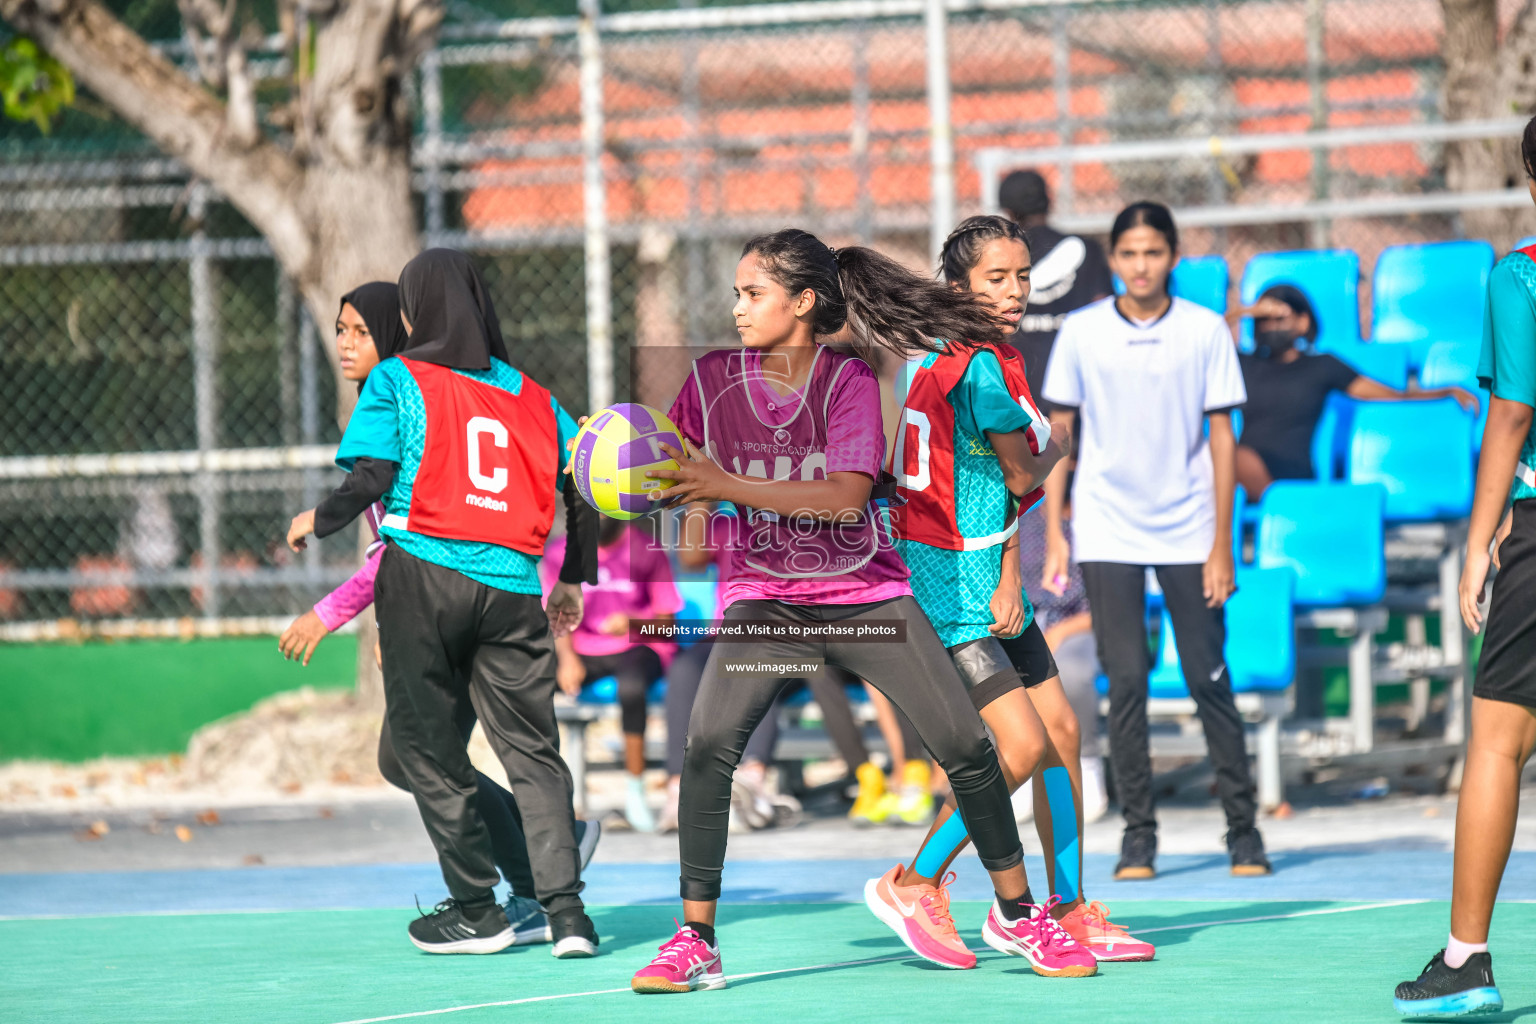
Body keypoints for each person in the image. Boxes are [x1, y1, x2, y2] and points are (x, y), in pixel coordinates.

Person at [629, 228, 1092, 993]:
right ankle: (695, 940)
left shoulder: (845, 382)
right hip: (765, 603)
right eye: (738, 295)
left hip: (864, 598)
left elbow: (846, 501)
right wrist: (614, 463)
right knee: (707, 745)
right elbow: (673, 459)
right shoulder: (713, 378)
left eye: (753, 294)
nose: (738, 309)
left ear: (803, 302)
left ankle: (1017, 913)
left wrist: (724, 486)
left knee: (969, 750)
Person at [286, 250, 600, 958]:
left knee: (424, 752)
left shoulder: (399, 378)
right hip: (516, 588)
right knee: (533, 753)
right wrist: (575, 577)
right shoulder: (534, 395)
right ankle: (568, 914)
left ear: (416, 313)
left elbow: (373, 475)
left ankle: (476, 909)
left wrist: (321, 518)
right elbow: (582, 482)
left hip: (425, 574)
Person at [865, 214, 1151, 969]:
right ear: (961, 286)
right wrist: (1059, 441)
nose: (1015, 290)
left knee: (1060, 733)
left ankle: (1065, 905)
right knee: (1019, 749)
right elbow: (1023, 475)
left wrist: (1007, 568)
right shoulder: (982, 367)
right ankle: (916, 881)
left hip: (985, 569)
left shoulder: (953, 356)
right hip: (955, 580)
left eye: (1022, 276)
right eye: (997, 278)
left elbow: (992, 481)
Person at [1041, 201, 1270, 881]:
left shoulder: (1203, 331)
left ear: (1172, 257)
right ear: (1114, 261)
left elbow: (1224, 439)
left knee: (1208, 678)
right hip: (1107, 528)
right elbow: (1061, 435)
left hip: (1190, 529)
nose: (1141, 266)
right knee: (1129, 683)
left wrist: (1221, 542)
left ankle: (1244, 831)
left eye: (1154, 252)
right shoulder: (1082, 332)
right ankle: (1138, 837)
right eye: (1129, 253)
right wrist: (1055, 531)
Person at [1391, 116, 1536, 1020]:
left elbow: (1514, 415)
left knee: (1498, 739)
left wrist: (1481, 540)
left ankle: (1466, 958)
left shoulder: (1522, 272)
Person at [1230, 283, 1480, 497]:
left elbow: (1391, 395)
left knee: (1227, 456)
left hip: (1286, 473)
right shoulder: (1244, 365)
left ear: (1303, 321)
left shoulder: (1321, 366)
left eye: (1280, 318)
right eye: (1263, 320)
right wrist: (1245, 311)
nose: (1271, 327)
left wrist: (1445, 392)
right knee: (1219, 456)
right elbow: (1202, 340)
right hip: (1239, 470)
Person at [544, 515, 681, 833]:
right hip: (584, 649)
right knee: (531, 679)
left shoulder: (646, 548)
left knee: (632, 688)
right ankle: (552, 796)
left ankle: (636, 792)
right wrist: (567, 658)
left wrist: (632, 623)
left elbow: (667, 624)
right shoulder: (561, 551)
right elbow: (559, 615)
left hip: (636, 645)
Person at [997, 169, 1113, 410]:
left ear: (1006, 211)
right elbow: (1104, 312)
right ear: (1049, 201)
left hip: (1017, 383)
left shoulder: (1000, 255)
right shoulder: (1087, 249)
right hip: (1078, 384)